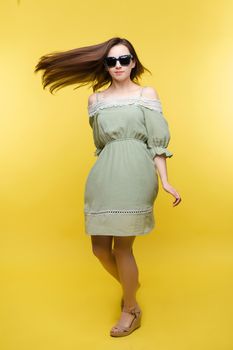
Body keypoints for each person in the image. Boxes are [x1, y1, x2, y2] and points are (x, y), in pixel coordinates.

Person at [34, 37, 181, 337]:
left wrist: (165, 181)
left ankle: (131, 309)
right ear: (104, 65)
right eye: (111, 61)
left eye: (124, 59)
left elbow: (156, 142)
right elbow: (100, 144)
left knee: (123, 247)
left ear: (133, 62)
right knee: (100, 248)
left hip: (136, 173)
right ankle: (131, 284)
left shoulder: (146, 94)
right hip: (104, 174)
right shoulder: (95, 100)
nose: (118, 66)